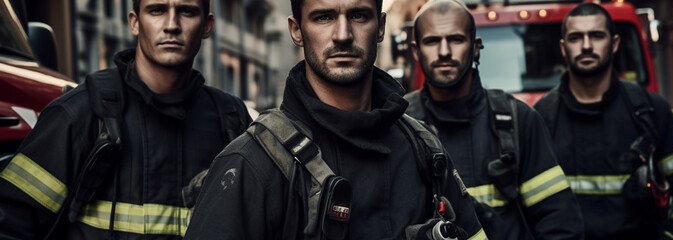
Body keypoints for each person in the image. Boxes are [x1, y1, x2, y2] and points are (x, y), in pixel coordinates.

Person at [184, 0, 486, 239]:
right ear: (296, 30)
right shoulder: (251, 164)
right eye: (323, 17)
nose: (343, 34)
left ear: (380, 26)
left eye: (358, 15)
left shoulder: (424, 149)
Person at [0, 0, 252, 239]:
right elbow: (10, 223)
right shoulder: (80, 113)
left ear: (207, 26)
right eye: (156, 10)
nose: (172, 24)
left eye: (187, 11)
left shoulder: (230, 121)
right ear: (134, 22)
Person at [404, 0, 583, 239]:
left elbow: (560, 224)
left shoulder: (519, 120)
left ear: (476, 47)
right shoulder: (401, 126)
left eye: (456, 39)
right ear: (416, 51)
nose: (444, 51)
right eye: (432, 41)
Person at [533, 3, 673, 239]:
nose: (586, 46)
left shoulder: (651, 111)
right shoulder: (540, 118)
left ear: (615, 43)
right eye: (576, 37)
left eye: (596, 36)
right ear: (563, 48)